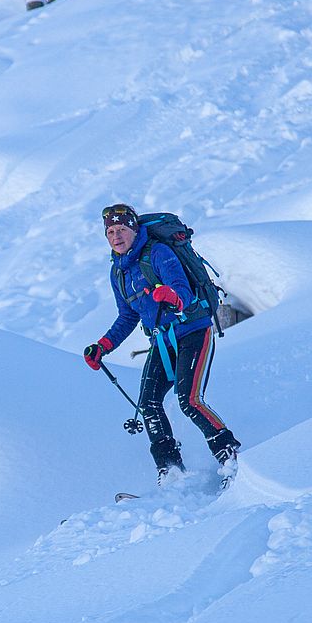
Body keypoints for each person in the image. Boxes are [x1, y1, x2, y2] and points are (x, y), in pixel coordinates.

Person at [83, 203, 239, 482]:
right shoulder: (118, 271)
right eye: (110, 232)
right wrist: (103, 346)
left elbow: (184, 293)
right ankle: (171, 470)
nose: (116, 236)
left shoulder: (158, 253)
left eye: (121, 229)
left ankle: (229, 456)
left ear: (134, 229)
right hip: (162, 339)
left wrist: (171, 296)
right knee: (149, 403)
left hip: (193, 330)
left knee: (189, 400)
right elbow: (127, 315)